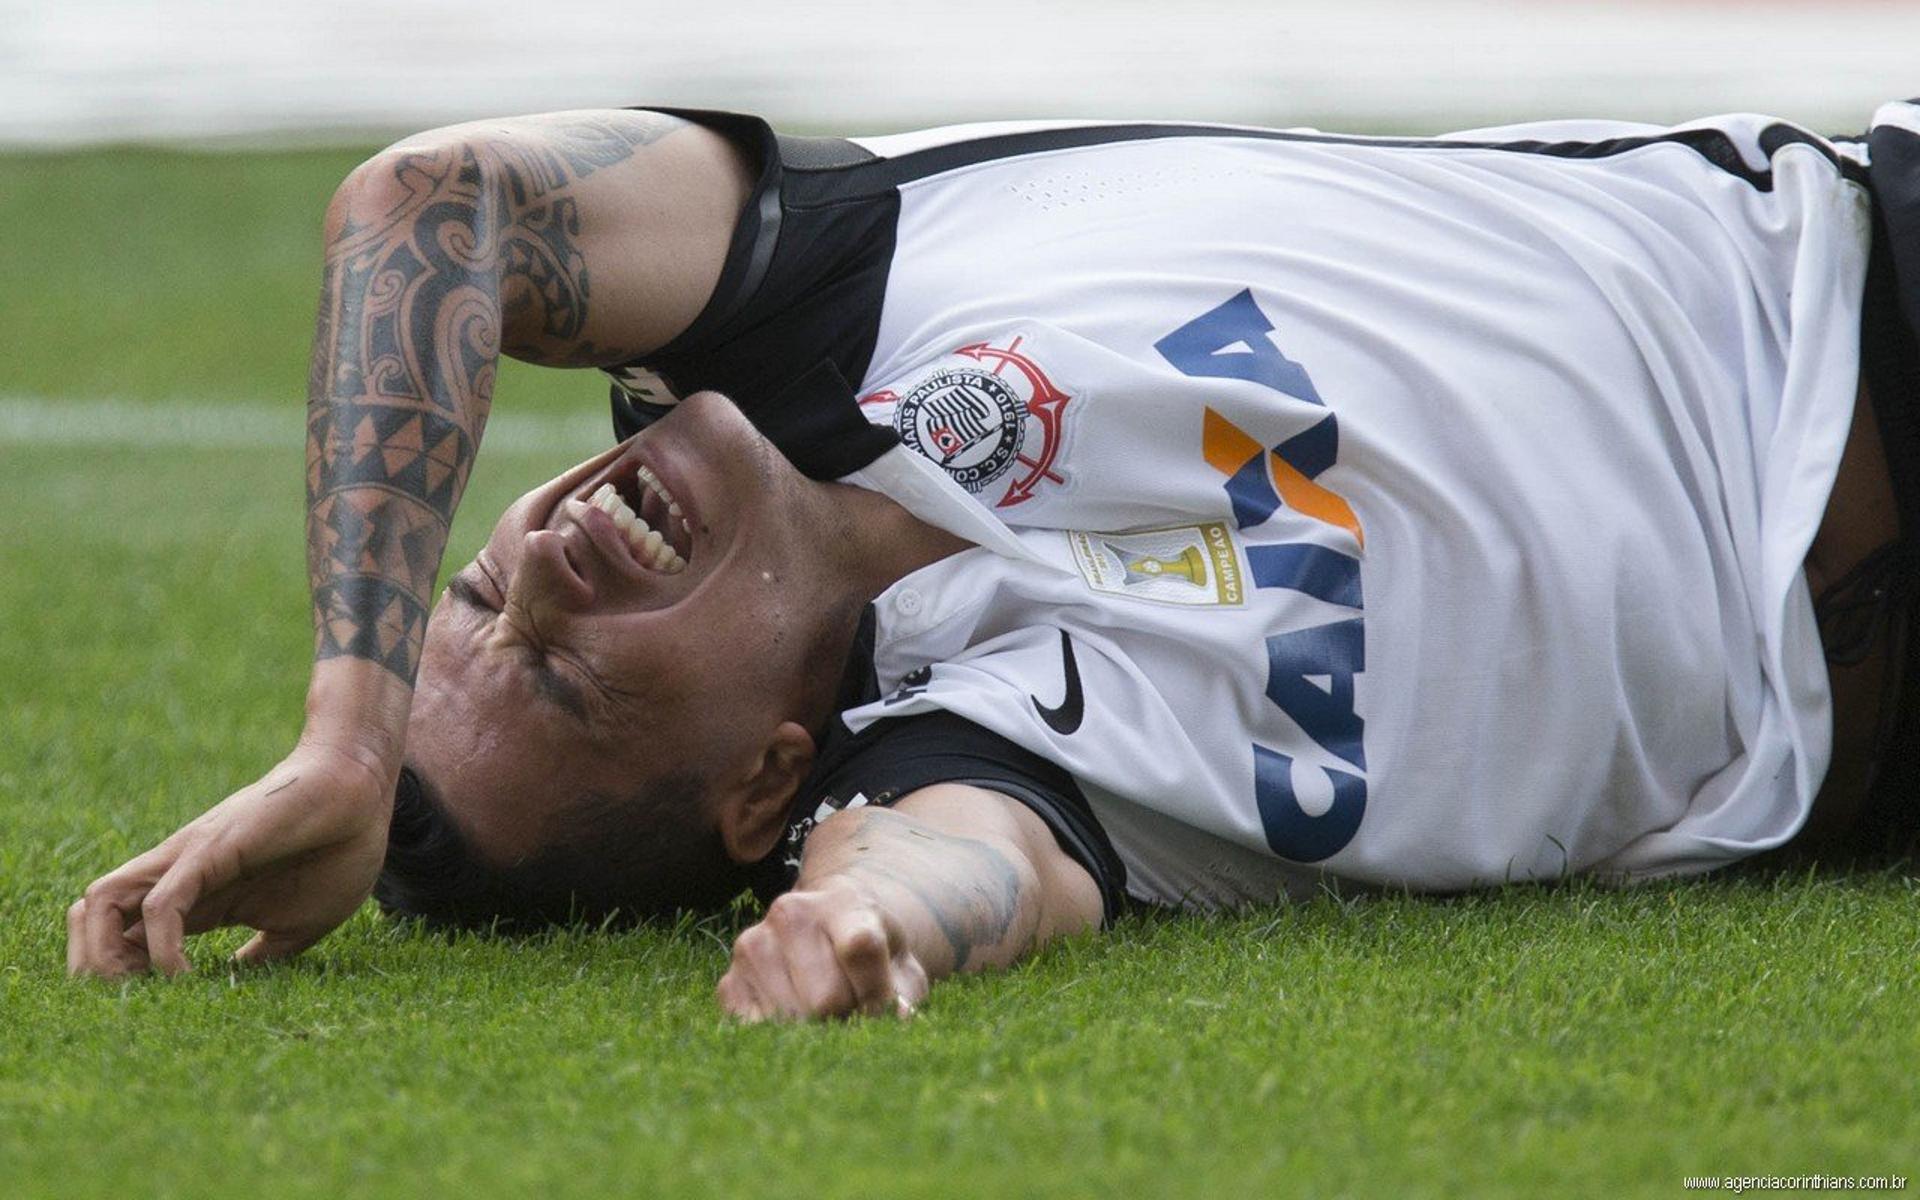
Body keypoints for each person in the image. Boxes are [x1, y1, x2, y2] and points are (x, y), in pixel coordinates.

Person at [66, 101, 1920, 1023]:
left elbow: (431, 206)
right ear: (763, 787)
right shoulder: (975, 750)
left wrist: (346, 728)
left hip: (1846, 282)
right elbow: (955, 872)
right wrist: (868, 930)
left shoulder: (812, 286)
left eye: (476, 596)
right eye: (554, 674)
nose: (534, 568)